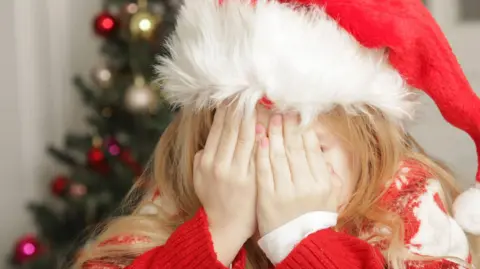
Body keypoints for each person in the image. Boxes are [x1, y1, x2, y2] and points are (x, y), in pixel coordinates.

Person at [76, 0, 480, 268]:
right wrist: (215, 234)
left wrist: (303, 240)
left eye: (310, 148)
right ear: (204, 146)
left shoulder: (408, 205)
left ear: (370, 148)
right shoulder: (176, 201)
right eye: (246, 147)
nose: (275, 171)